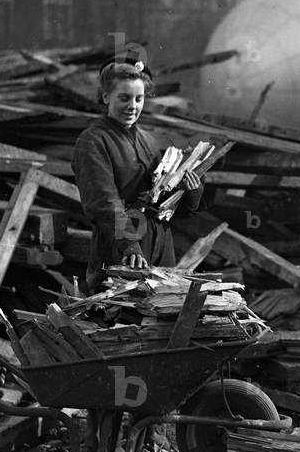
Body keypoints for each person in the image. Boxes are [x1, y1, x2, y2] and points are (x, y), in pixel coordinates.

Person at [73, 54, 205, 294]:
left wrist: (191, 191)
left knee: (161, 314)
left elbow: (168, 206)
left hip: (160, 244)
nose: (132, 106)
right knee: (118, 315)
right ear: (105, 96)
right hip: (120, 247)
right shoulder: (93, 141)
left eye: (139, 98)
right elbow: (103, 200)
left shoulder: (150, 142)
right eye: (124, 98)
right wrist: (130, 245)